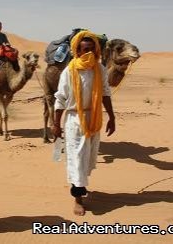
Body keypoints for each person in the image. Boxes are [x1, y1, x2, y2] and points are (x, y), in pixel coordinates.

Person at [52, 30, 116, 216]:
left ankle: (81, 187)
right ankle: (77, 198)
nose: (88, 53)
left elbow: (105, 93)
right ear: (77, 51)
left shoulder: (100, 69)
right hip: (74, 120)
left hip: (94, 118)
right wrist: (56, 123)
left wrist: (112, 117)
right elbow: (60, 99)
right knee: (77, 159)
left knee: (87, 159)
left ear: (96, 50)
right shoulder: (69, 71)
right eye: (84, 49)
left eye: (91, 49)